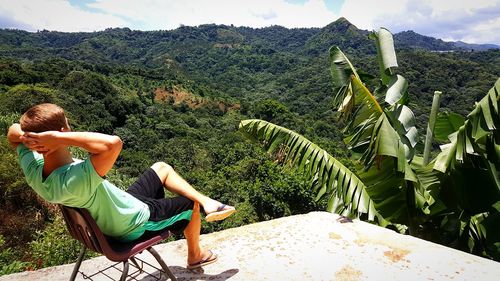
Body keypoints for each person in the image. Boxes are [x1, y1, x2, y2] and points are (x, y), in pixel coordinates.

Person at [7, 103, 235, 270]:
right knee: (189, 204)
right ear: (62, 133)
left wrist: (30, 137)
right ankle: (196, 254)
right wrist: (59, 137)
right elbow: (113, 144)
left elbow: (12, 131)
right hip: (131, 224)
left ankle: (209, 202)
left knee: (161, 167)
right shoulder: (76, 179)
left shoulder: (35, 169)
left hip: (119, 208)